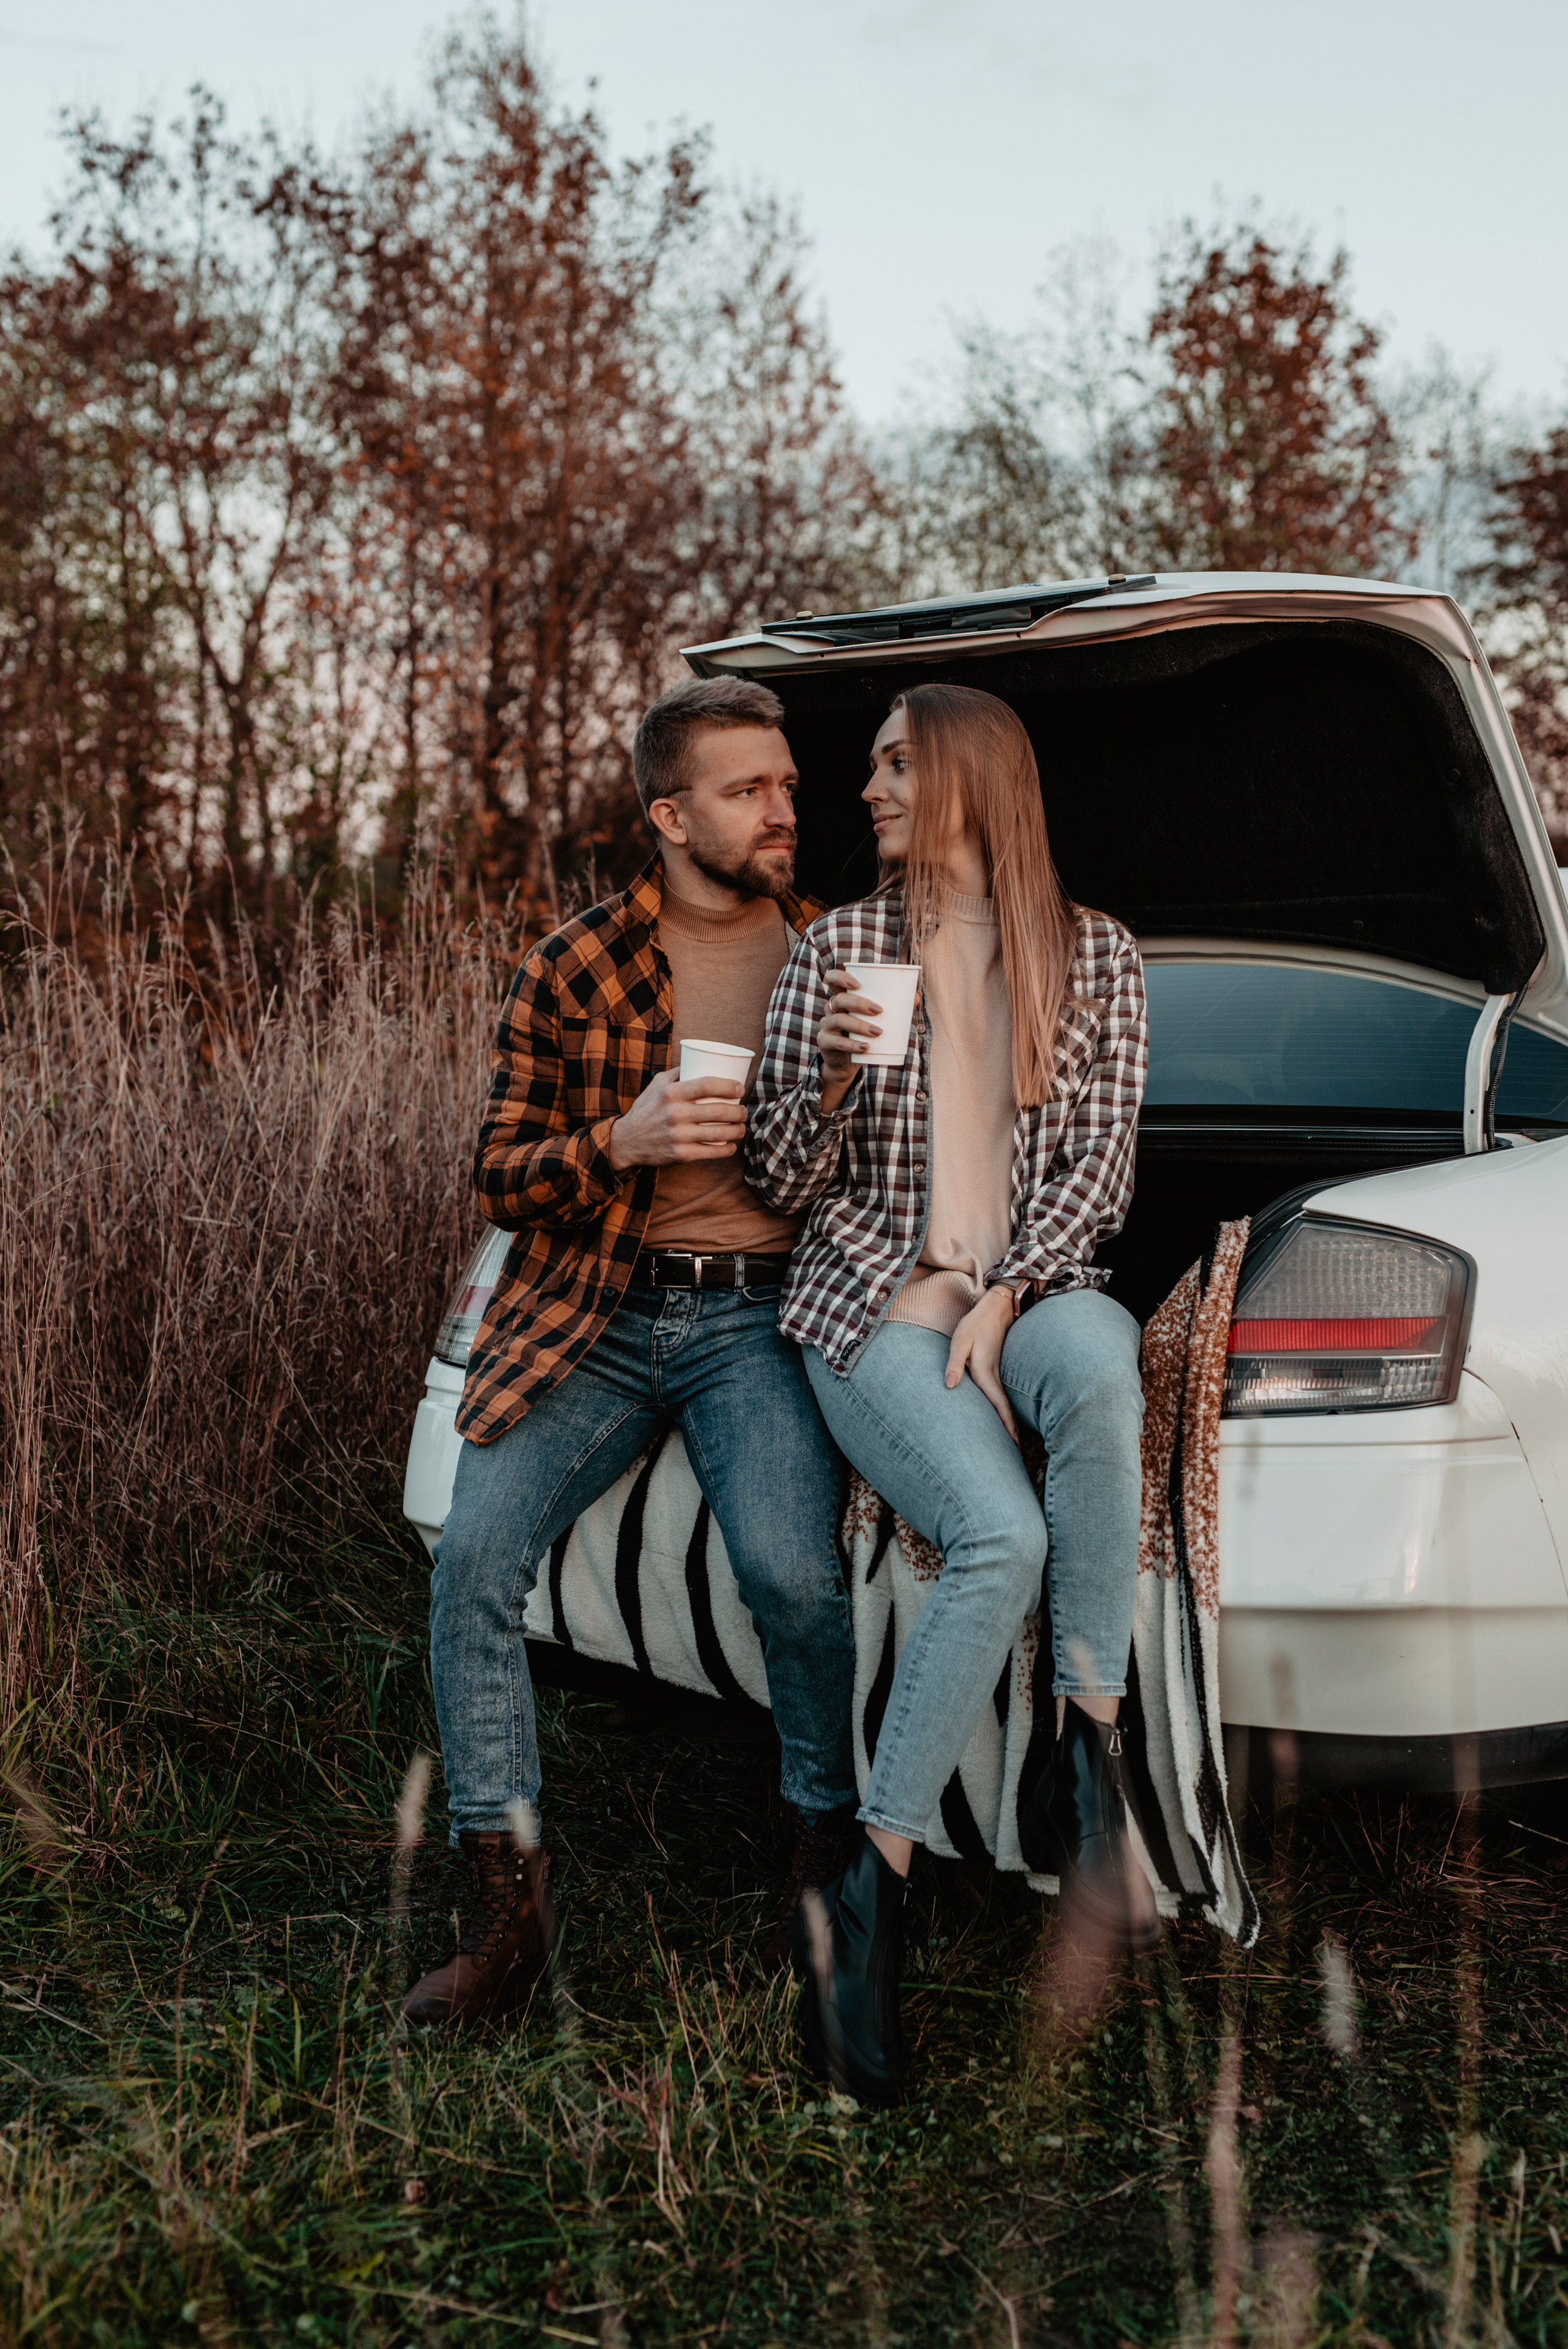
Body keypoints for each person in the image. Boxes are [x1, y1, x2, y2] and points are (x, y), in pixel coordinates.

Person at [401, 678, 859, 2032]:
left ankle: (827, 1864)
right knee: (473, 1565)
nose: (783, 809)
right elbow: (497, 1173)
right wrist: (622, 1144)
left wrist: (855, 1082)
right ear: (668, 814)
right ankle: (506, 1912)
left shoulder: (837, 959)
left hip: (754, 1320)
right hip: (587, 1317)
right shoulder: (573, 963)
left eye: (784, 784)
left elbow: (897, 1174)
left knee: (794, 1577)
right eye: (746, 790)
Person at [747, 681, 1154, 2106]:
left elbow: (1097, 1175)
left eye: (892, 765)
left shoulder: (1093, 958)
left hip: (1025, 1299)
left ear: (969, 781)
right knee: (1004, 1538)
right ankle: (872, 1890)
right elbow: (781, 1186)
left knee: (1103, 1367)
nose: (862, 789)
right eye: (866, 768)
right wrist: (838, 1092)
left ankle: (1085, 1749)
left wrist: (1012, 1294)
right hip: (871, 1310)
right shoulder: (839, 950)